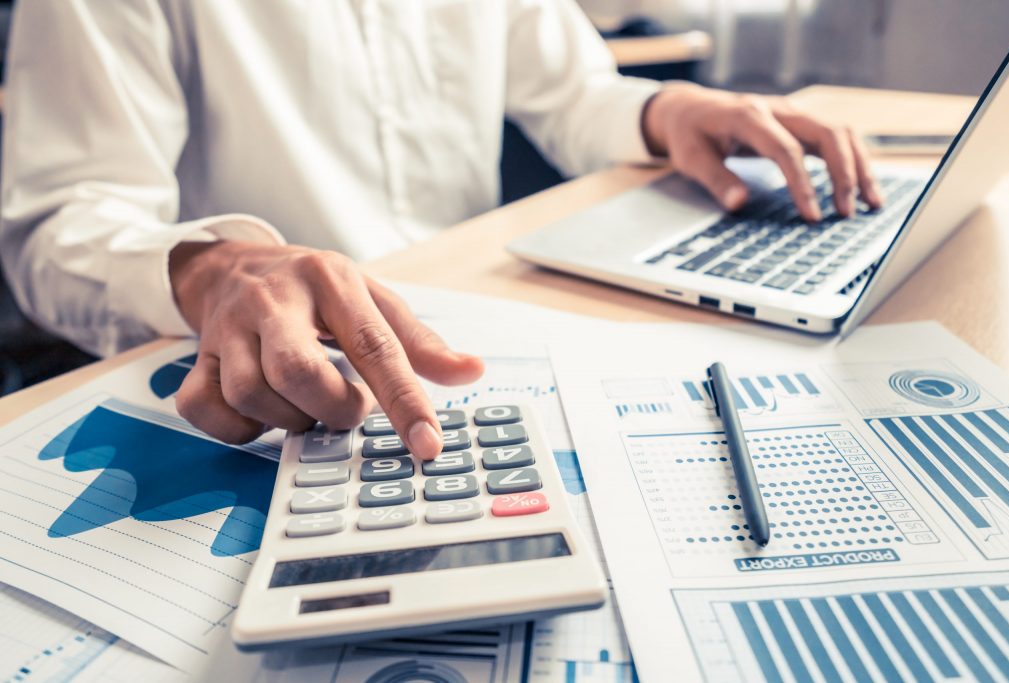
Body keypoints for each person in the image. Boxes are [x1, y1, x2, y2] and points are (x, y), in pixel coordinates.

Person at [0, 1, 881, 460]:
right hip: (281, 380)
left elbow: (573, 92)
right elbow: (59, 223)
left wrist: (668, 110)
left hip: (480, 323)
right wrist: (212, 267)